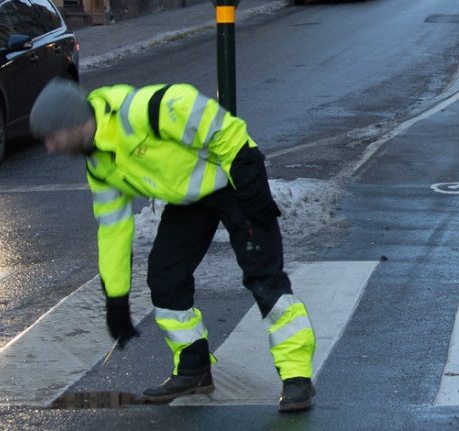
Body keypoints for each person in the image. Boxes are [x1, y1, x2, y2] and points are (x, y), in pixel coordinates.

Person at [29, 79, 316, 410]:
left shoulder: (141, 111)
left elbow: (223, 127)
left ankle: (297, 379)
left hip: (233, 178)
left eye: (52, 137)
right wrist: (116, 299)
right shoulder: (99, 163)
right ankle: (193, 369)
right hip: (190, 198)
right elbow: (113, 230)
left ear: (76, 123)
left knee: (263, 277)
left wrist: (250, 181)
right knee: (166, 277)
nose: (49, 148)